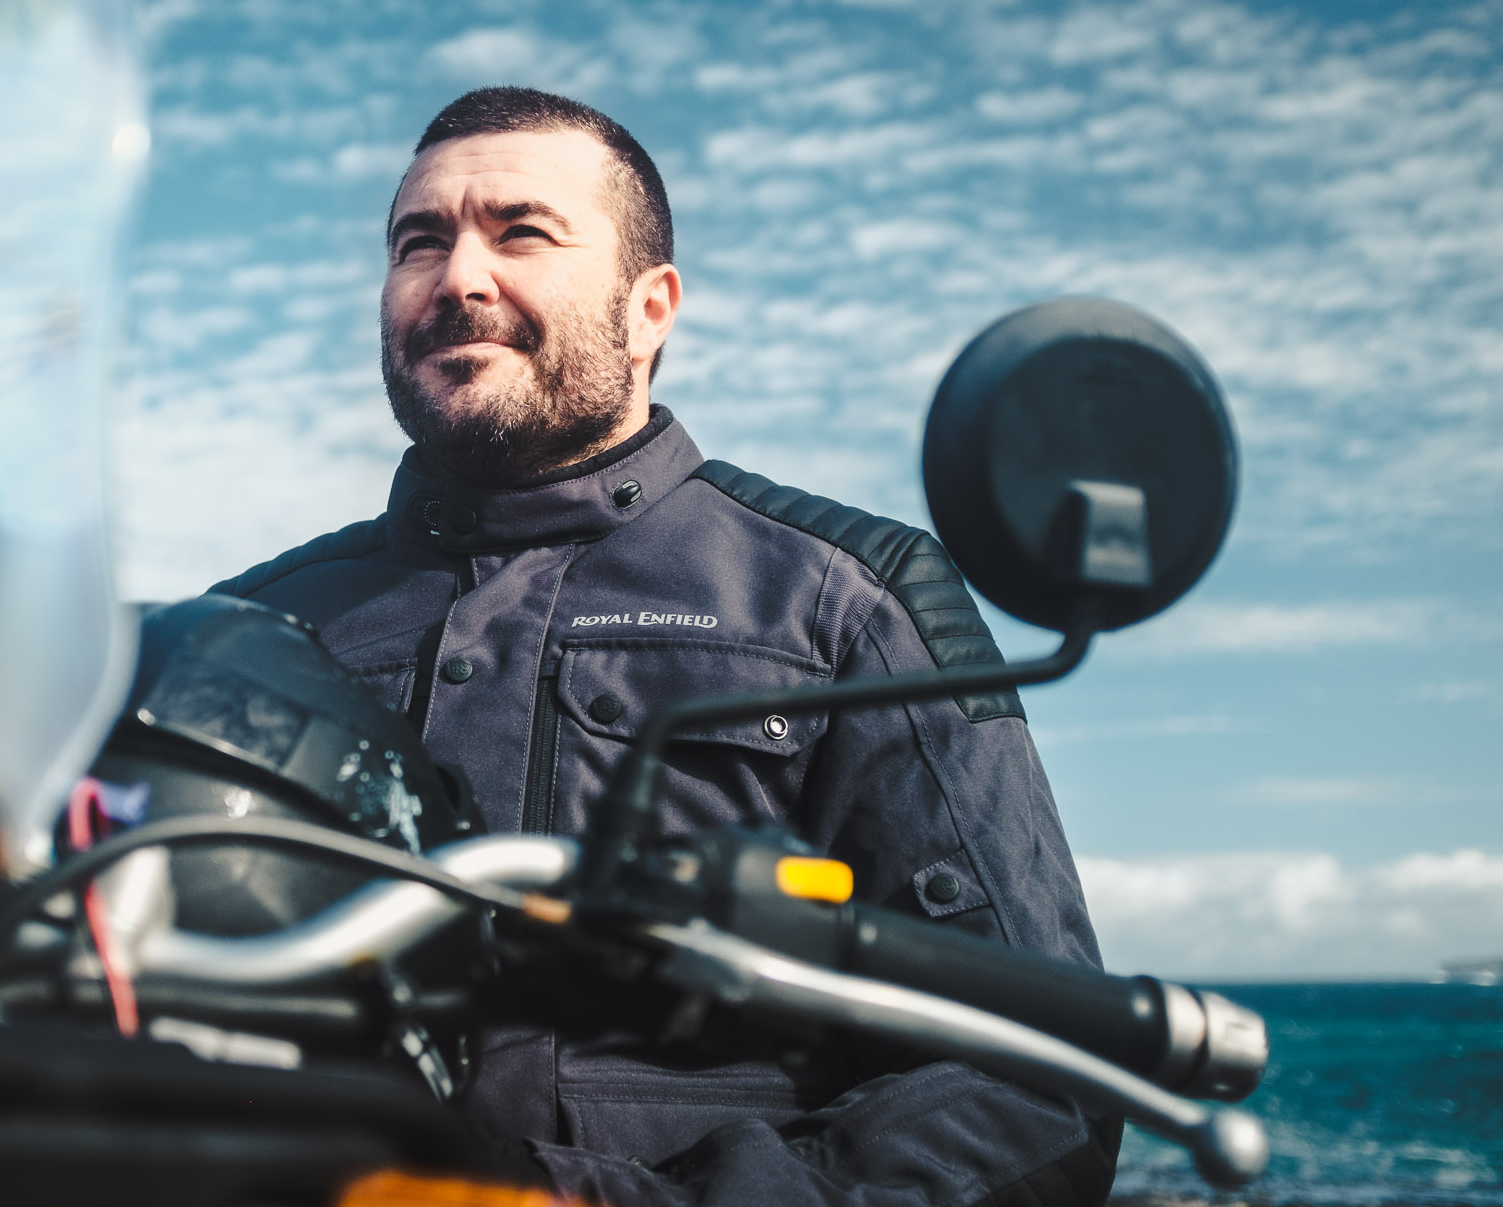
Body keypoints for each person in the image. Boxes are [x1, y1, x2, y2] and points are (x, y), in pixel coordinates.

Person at [210, 87, 1120, 1206]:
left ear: (650, 308)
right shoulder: (247, 633)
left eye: (521, 232)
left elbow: (1039, 1078)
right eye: (419, 241)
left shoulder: (845, 599)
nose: (458, 277)